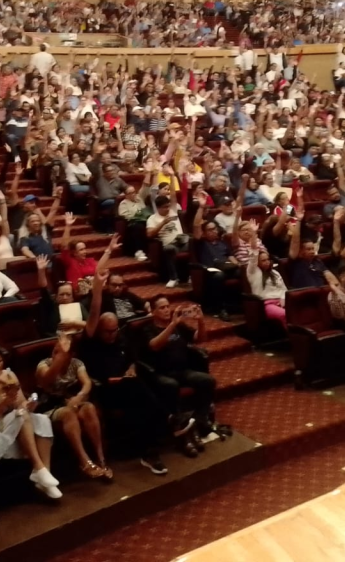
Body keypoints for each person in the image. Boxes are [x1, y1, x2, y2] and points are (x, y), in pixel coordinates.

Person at [79, 270, 185, 472]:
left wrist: (131, 368)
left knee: (141, 394)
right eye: (108, 331)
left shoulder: (119, 338)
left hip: (128, 387)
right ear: (99, 330)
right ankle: (169, 419)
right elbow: (93, 314)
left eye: (115, 330)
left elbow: (132, 360)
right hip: (106, 390)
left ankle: (150, 453)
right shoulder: (90, 342)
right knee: (140, 391)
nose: (112, 335)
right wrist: (98, 289)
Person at [0, 345, 61, 497]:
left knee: (42, 419)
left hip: (14, 419)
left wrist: (30, 404)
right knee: (21, 415)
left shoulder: (9, 375)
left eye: (0, 361)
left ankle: (44, 473)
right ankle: (39, 468)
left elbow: (21, 404)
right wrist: (3, 404)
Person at [142, 296, 228, 442]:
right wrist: (172, 325)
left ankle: (198, 420)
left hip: (182, 371)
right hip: (161, 373)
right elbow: (154, 345)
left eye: (168, 306)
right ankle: (178, 425)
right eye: (162, 308)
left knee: (208, 381)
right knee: (171, 385)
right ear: (154, 311)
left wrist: (200, 321)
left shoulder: (179, 326)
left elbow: (200, 338)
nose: (167, 310)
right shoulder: (148, 328)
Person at [35, 333, 111, 480]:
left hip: (70, 401)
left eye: (61, 353)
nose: (55, 355)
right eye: (55, 351)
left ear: (72, 355)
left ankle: (101, 459)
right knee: (68, 413)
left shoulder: (76, 363)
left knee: (89, 408)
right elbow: (48, 379)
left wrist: (79, 396)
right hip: (49, 406)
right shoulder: (43, 365)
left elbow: (87, 383)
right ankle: (84, 461)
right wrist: (60, 357)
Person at [146, 180, 188, 289]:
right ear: (158, 208)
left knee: (195, 243)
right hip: (171, 244)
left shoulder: (173, 210)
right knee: (169, 249)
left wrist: (172, 177)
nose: (168, 209)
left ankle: (192, 275)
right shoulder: (152, 219)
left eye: (168, 206)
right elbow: (149, 234)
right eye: (165, 207)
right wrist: (163, 223)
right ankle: (174, 278)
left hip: (183, 241)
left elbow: (173, 195)